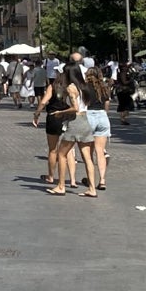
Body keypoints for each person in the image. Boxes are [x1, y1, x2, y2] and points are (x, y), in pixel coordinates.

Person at [50, 64, 97, 197]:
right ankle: (92, 189)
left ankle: (61, 186)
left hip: (75, 121)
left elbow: (74, 108)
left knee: (61, 154)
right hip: (85, 121)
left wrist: (60, 112)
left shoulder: (71, 88)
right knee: (87, 157)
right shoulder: (84, 87)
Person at [32, 73, 73, 188]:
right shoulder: (70, 87)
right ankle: (72, 179)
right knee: (68, 150)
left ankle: (51, 176)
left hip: (53, 118)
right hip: (66, 117)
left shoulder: (52, 87)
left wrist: (37, 114)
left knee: (53, 149)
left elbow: (44, 101)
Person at [84, 68, 111, 190]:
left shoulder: (84, 87)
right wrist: (104, 114)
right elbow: (107, 104)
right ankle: (102, 180)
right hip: (102, 116)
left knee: (88, 152)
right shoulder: (104, 87)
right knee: (100, 151)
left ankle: (90, 179)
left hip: (89, 115)